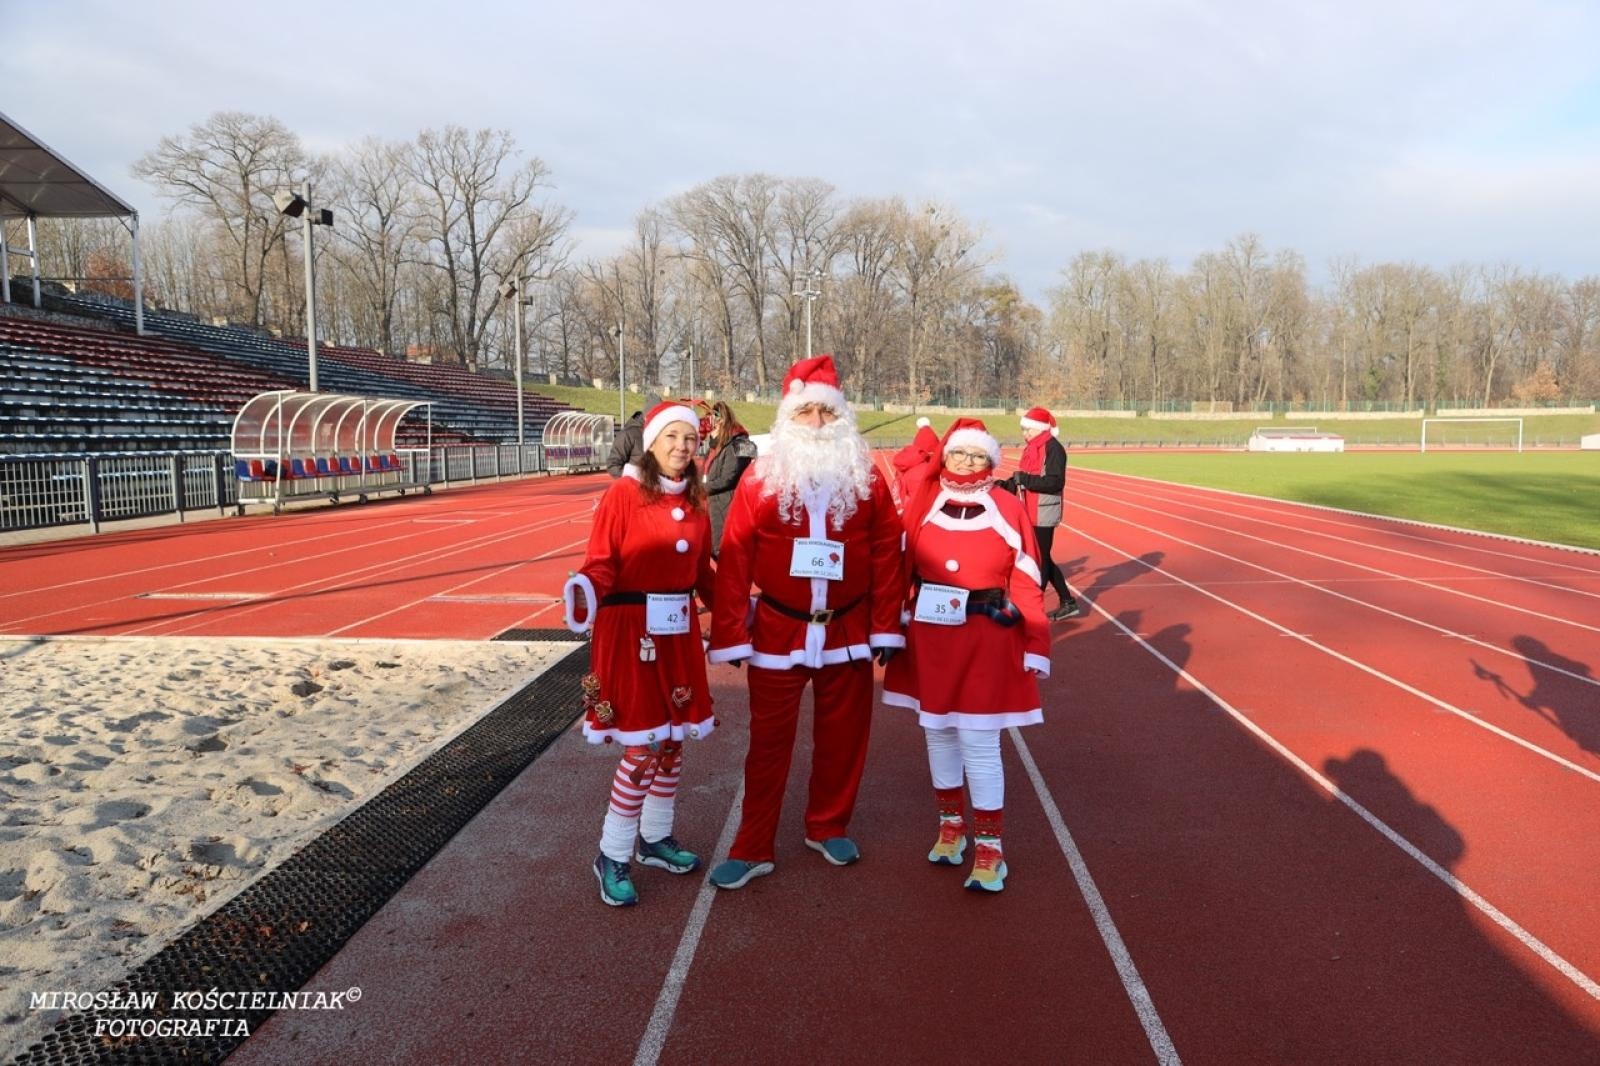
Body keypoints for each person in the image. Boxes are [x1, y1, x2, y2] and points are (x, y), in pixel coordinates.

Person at [706, 355, 906, 889]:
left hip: (847, 630)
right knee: (768, 745)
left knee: (843, 739)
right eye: (806, 413)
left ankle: (828, 824)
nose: (816, 423)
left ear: (841, 417)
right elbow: (736, 555)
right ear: (787, 419)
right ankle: (752, 846)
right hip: (779, 630)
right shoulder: (761, 480)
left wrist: (887, 624)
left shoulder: (865, 477)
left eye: (825, 412)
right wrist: (730, 633)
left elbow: (889, 551)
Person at [884, 418, 1051, 892]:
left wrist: (1036, 641)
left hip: (986, 638)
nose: (968, 463)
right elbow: (900, 570)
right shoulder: (924, 503)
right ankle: (951, 827)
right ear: (947, 456)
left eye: (978, 456)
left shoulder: (1006, 506)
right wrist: (890, 624)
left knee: (979, 741)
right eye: (959, 454)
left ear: (991, 462)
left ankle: (991, 849)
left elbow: (1026, 579)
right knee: (938, 733)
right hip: (931, 638)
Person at [563, 401, 717, 907]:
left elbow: (703, 576)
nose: (681, 447)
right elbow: (601, 562)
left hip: (678, 637)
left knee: (673, 744)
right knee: (643, 746)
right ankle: (612, 854)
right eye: (672, 437)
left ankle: (654, 838)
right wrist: (585, 588)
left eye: (690, 439)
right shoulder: (622, 495)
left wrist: (738, 615)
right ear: (651, 442)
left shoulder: (697, 504)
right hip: (631, 635)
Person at [1005, 407, 1080, 620]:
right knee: (1044, 557)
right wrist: (1007, 484)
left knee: (1041, 559)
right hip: (1029, 508)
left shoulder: (1053, 449)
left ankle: (1033, 605)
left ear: (1039, 429)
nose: (1024, 434)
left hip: (1044, 510)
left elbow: (1056, 481)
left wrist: (1025, 480)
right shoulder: (1031, 449)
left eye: (1027, 429)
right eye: (1023, 429)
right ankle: (1068, 601)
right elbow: (1024, 476)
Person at [701, 401, 758, 558]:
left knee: (723, 551)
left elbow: (728, 477)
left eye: (712, 422)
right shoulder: (717, 448)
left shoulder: (735, 445)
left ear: (721, 422)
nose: (709, 428)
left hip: (726, 505)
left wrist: (701, 488)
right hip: (714, 504)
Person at [606, 410, 645, 478]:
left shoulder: (659, 433)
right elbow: (613, 465)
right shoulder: (627, 434)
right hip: (636, 485)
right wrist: (631, 482)